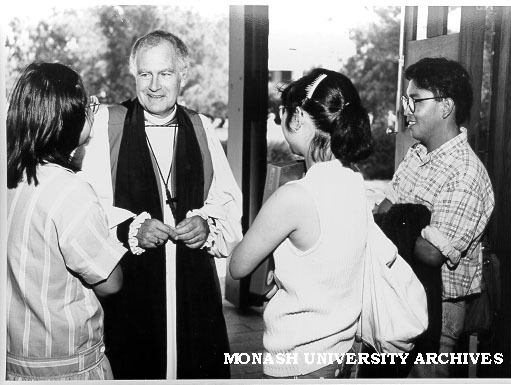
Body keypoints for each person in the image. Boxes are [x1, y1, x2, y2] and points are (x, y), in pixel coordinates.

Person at [80, 30, 243, 380]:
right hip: (132, 299)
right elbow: (87, 208)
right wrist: (131, 228)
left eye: (165, 73)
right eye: (145, 74)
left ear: (182, 75)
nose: (154, 85)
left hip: (194, 295)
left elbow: (228, 206)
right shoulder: (111, 125)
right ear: (133, 74)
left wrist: (207, 225)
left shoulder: (200, 128)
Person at [229, 68, 373, 379]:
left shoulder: (294, 197)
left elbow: (238, 266)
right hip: (342, 352)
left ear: (296, 118)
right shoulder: (354, 181)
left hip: (299, 363)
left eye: (282, 112)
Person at [6, 62, 127, 380]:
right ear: (68, 118)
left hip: (14, 359)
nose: (92, 112)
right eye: (88, 105)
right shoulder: (70, 190)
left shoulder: (12, 180)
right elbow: (110, 283)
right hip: (67, 366)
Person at [378, 57, 495, 378]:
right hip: (399, 295)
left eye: (415, 100)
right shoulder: (417, 155)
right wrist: (409, 224)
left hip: (437, 311)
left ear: (446, 106)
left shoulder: (465, 173)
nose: (406, 109)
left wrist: (394, 224)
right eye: (406, 100)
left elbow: (431, 254)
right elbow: (384, 211)